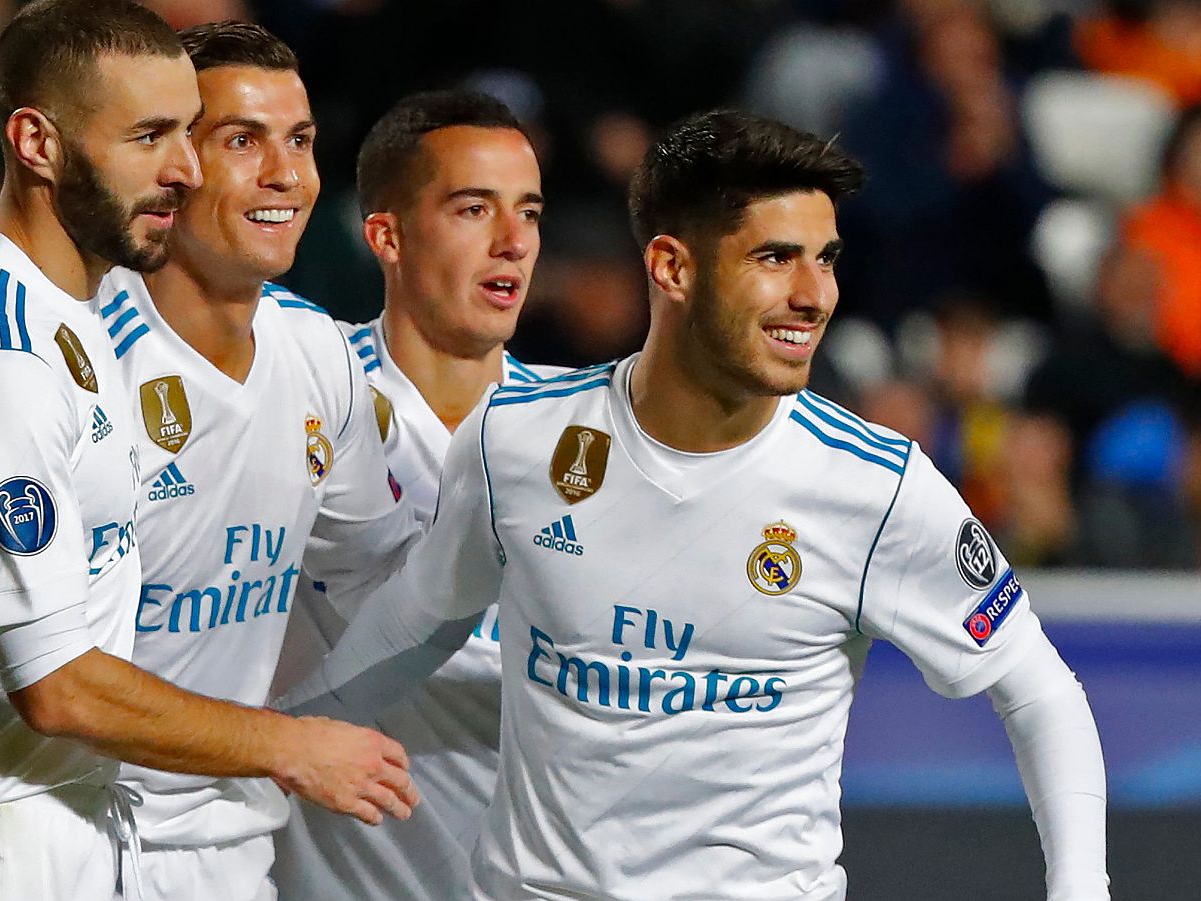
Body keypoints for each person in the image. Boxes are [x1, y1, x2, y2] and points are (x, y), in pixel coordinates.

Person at [280, 110, 1110, 900]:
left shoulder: (876, 487)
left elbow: (1037, 688)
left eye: (826, 257)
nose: (814, 294)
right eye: (776, 258)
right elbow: (416, 624)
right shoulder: (518, 442)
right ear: (672, 267)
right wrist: (272, 745)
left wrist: (1081, 889)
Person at [0, 20, 419, 900]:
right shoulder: (4, 360)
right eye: (155, 136)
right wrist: (292, 743)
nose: (185, 169)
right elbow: (56, 687)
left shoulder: (61, 306)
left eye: (302, 141)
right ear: (37, 141)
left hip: (92, 833)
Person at [272, 89, 561, 899]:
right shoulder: (301, 399)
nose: (513, 243)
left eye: (529, 213)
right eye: (474, 209)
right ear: (386, 235)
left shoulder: (590, 435)